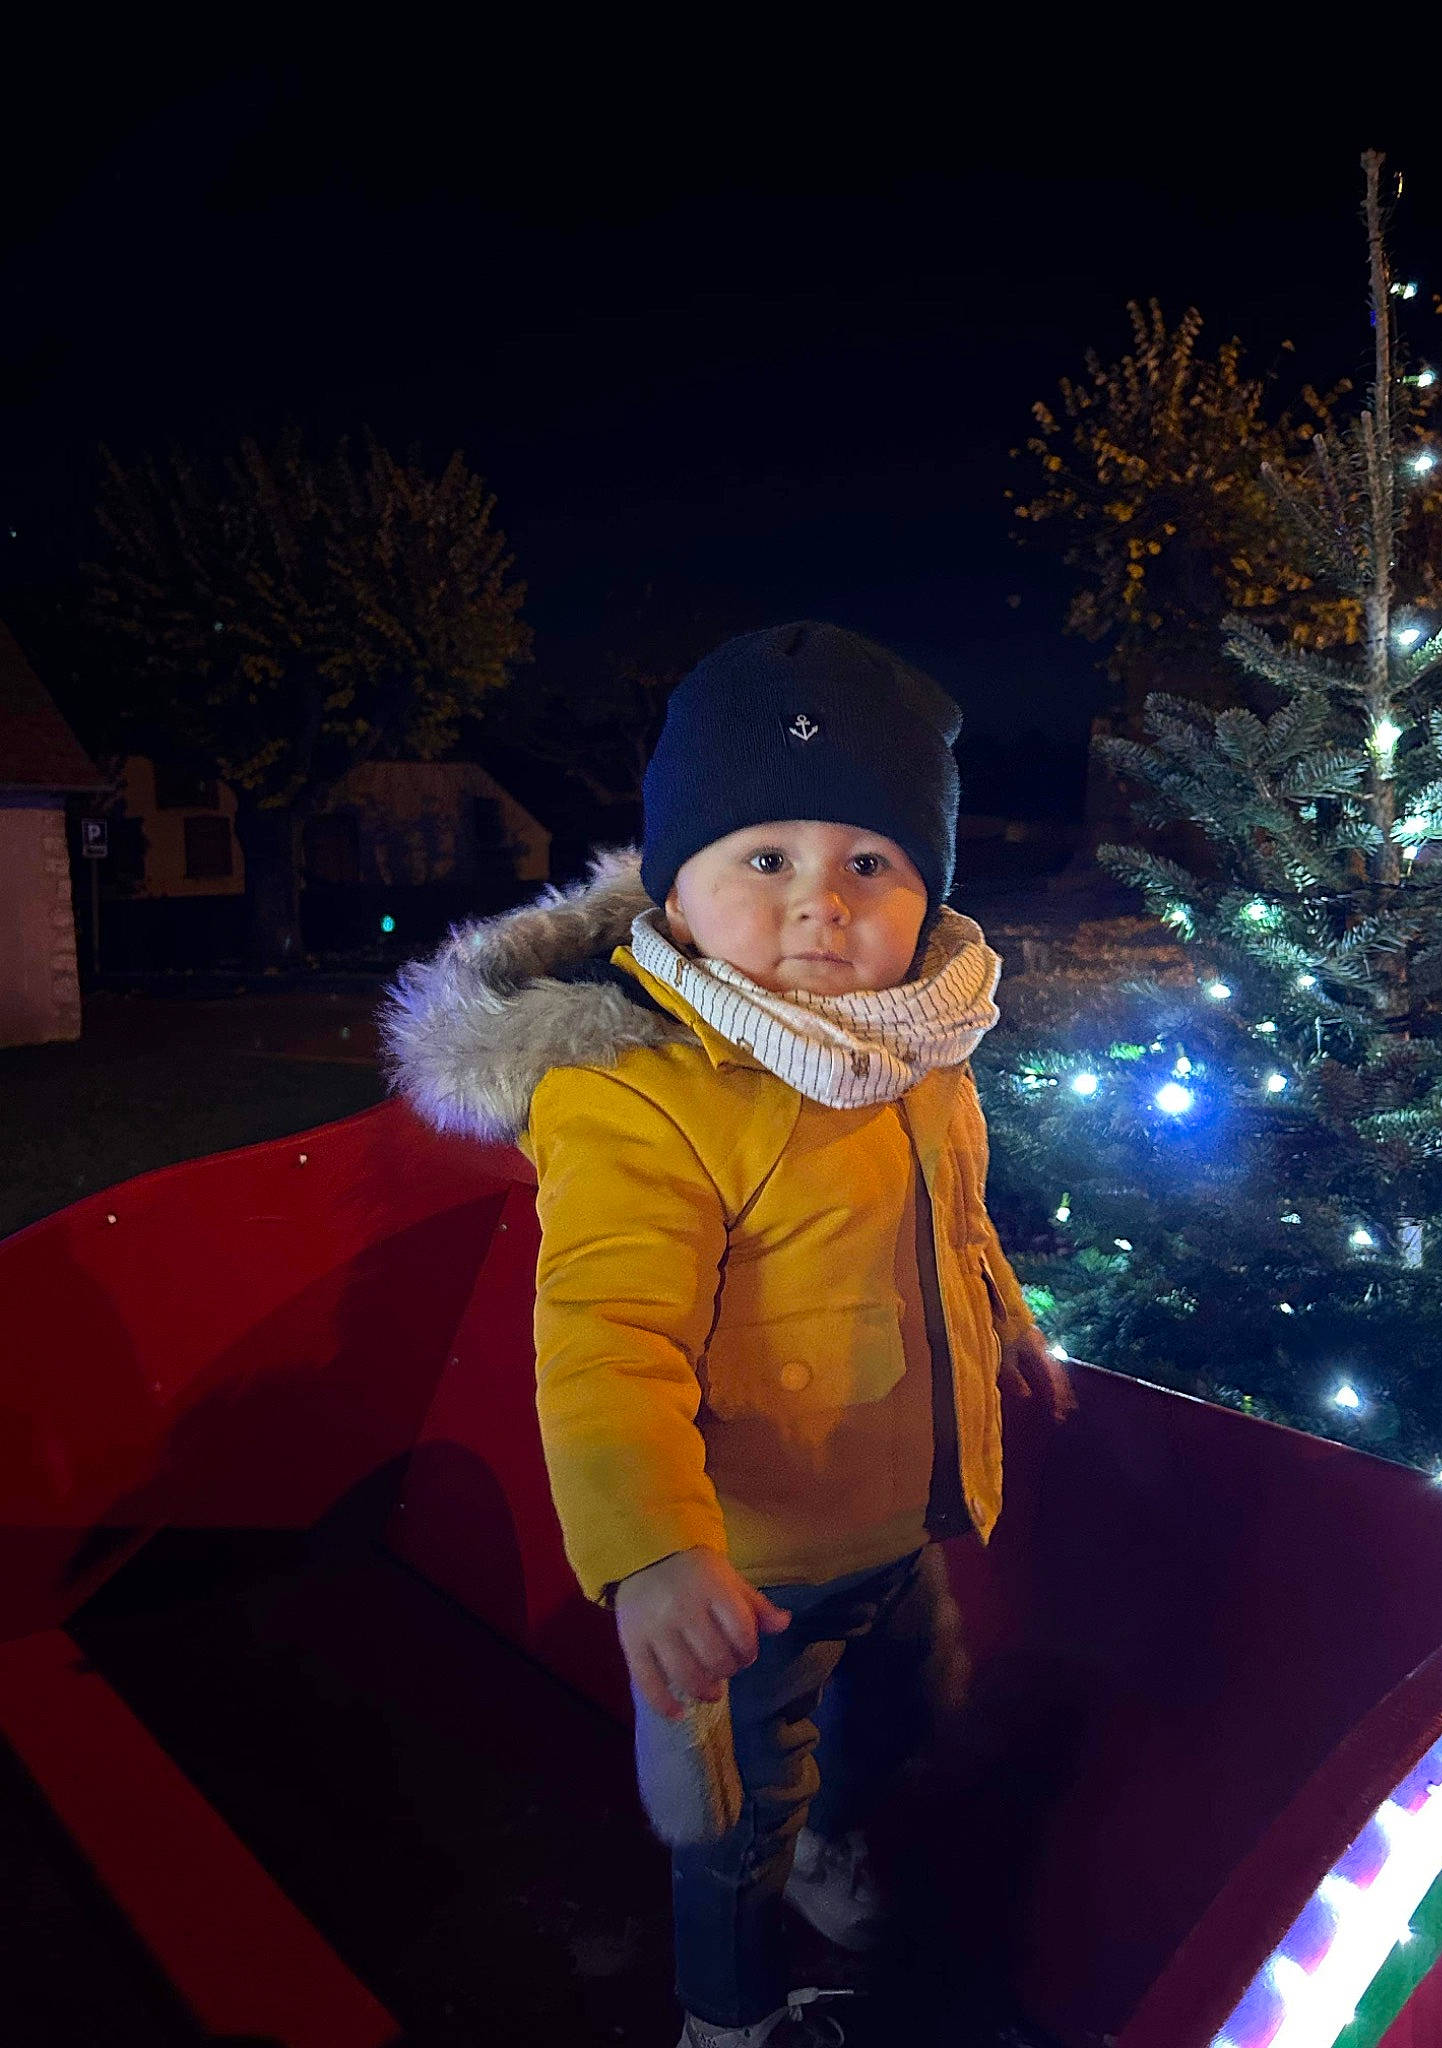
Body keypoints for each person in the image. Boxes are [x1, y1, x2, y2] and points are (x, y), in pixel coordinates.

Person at [384, 621, 1074, 2048]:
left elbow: (954, 1221)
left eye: (870, 861)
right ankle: (729, 2009)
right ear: (677, 893)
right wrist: (651, 1553)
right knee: (731, 1817)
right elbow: (604, 1342)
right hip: (741, 1567)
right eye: (766, 858)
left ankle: (836, 1850)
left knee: (894, 1722)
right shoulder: (642, 1096)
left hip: (897, 1521)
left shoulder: (917, 1052)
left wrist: (1005, 1318)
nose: (822, 902)